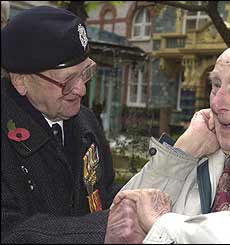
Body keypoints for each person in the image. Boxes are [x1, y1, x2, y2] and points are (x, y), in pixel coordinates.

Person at [109, 38, 230, 243]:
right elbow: (121, 224)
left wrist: (167, 226)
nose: (217, 103)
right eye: (216, 85)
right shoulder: (199, 154)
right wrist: (181, 154)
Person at [1, 6, 142, 243]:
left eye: (85, 73)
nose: (81, 89)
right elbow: (8, 229)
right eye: (67, 82)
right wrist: (102, 230)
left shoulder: (85, 121)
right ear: (21, 81)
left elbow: (102, 193)